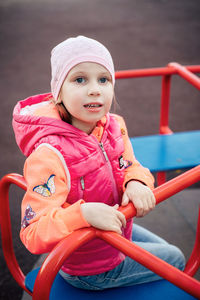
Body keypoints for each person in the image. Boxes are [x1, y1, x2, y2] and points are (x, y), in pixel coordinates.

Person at [12, 35, 185, 290]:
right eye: (80, 79)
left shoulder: (114, 126)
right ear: (58, 92)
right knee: (177, 259)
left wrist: (136, 181)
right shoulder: (49, 154)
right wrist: (83, 214)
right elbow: (33, 232)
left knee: (167, 250)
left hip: (114, 231)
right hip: (90, 269)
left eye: (103, 79)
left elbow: (131, 165)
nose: (95, 89)